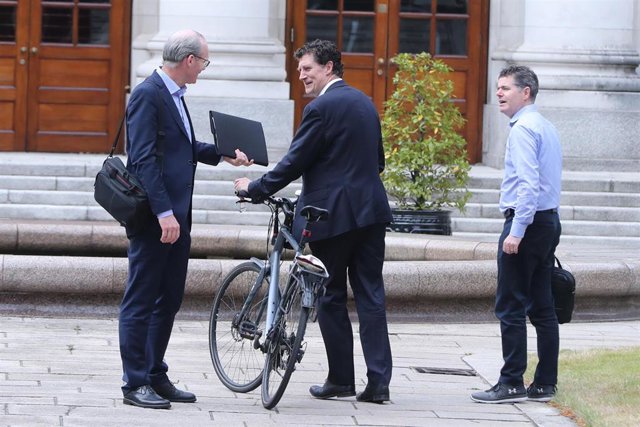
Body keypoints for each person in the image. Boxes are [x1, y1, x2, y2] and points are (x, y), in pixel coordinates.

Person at [234, 39, 393, 404]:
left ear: (329, 68)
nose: (301, 75)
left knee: (331, 296)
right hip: (370, 212)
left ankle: (341, 379)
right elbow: (378, 161)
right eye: (300, 68)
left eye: (307, 68)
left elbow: (294, 162)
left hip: (331, 217)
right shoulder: (365, 103)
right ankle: (379, 383)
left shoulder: (320, 108)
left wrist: (254, 188)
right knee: (371, 297)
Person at [119, 29, 251, 409]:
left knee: (170, 298)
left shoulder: (174, 95)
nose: (204, 69)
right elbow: (142, 159)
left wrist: (222, 153)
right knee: (141, 299)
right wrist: (164, 213)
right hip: (156, 219)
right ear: (190, 60)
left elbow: (181, 147)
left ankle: (154, 373)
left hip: (177, 218)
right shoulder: (148, 94)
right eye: (204, 62)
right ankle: (134, 383)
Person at [471, 65, 562, 404]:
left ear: (526, 92)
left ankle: (510, 382)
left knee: (510, 306)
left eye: (506, 88)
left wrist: (517, 231)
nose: (499, 93)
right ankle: (544, 384)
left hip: (527, 223)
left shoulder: (524, 129)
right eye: (498, 87)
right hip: (547, 222)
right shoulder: (545, 126)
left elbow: (529, 184)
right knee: (543, 308)